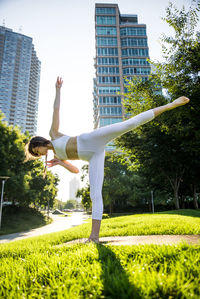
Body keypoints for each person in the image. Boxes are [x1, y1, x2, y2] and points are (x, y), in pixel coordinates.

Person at [27, 77, 190, 243]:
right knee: (95, 194)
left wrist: (58, 90)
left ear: (38, 143)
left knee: (129, 124)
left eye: (36, 150)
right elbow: (76, 170)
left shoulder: (54, 134)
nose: (39, 154)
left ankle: (171, 105)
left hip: (91, 139)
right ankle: (94, 237)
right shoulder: (57, 157)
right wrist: (61, 163)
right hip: (94, 156)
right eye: (36, 154)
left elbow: (56, 110)